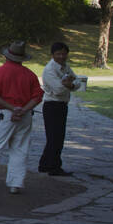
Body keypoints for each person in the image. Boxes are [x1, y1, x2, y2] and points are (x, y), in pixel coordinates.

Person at [0, 40, 43, 194]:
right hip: (25, 115)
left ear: (7, 56)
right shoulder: (30, 75)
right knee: (20, 149)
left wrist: (12, 108)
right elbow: (38, 96)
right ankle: (16, 183)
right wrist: (23, 110)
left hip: (3, 114)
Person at [38, 41, 76, 175]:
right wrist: (67, 84)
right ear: (52, 54)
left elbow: (77, 83)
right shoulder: (49, 70)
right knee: (55, 137)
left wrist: (69, 84)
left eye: (64, 54)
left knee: (57, 137)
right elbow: (59, 90)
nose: (61, 56)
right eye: (58, 54)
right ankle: (54, 167)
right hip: (52, 106)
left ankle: (44, 164)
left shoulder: (65, 67)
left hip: (62, 105)